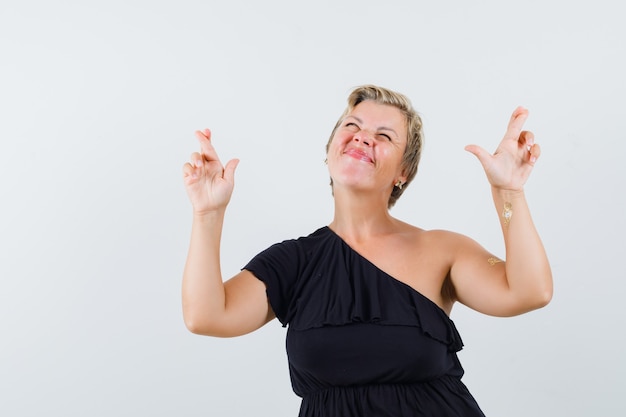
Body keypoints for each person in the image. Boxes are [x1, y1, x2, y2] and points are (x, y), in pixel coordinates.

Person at [181, 85, 553, 416]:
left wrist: (509, 192)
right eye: (352, 126)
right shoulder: (293, 262)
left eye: (383, 135)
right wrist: (208, 212)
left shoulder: (442, 249)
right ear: (329, 150)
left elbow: (529, 291)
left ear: (403, 172)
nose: (362, 138)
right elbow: (206, 316)